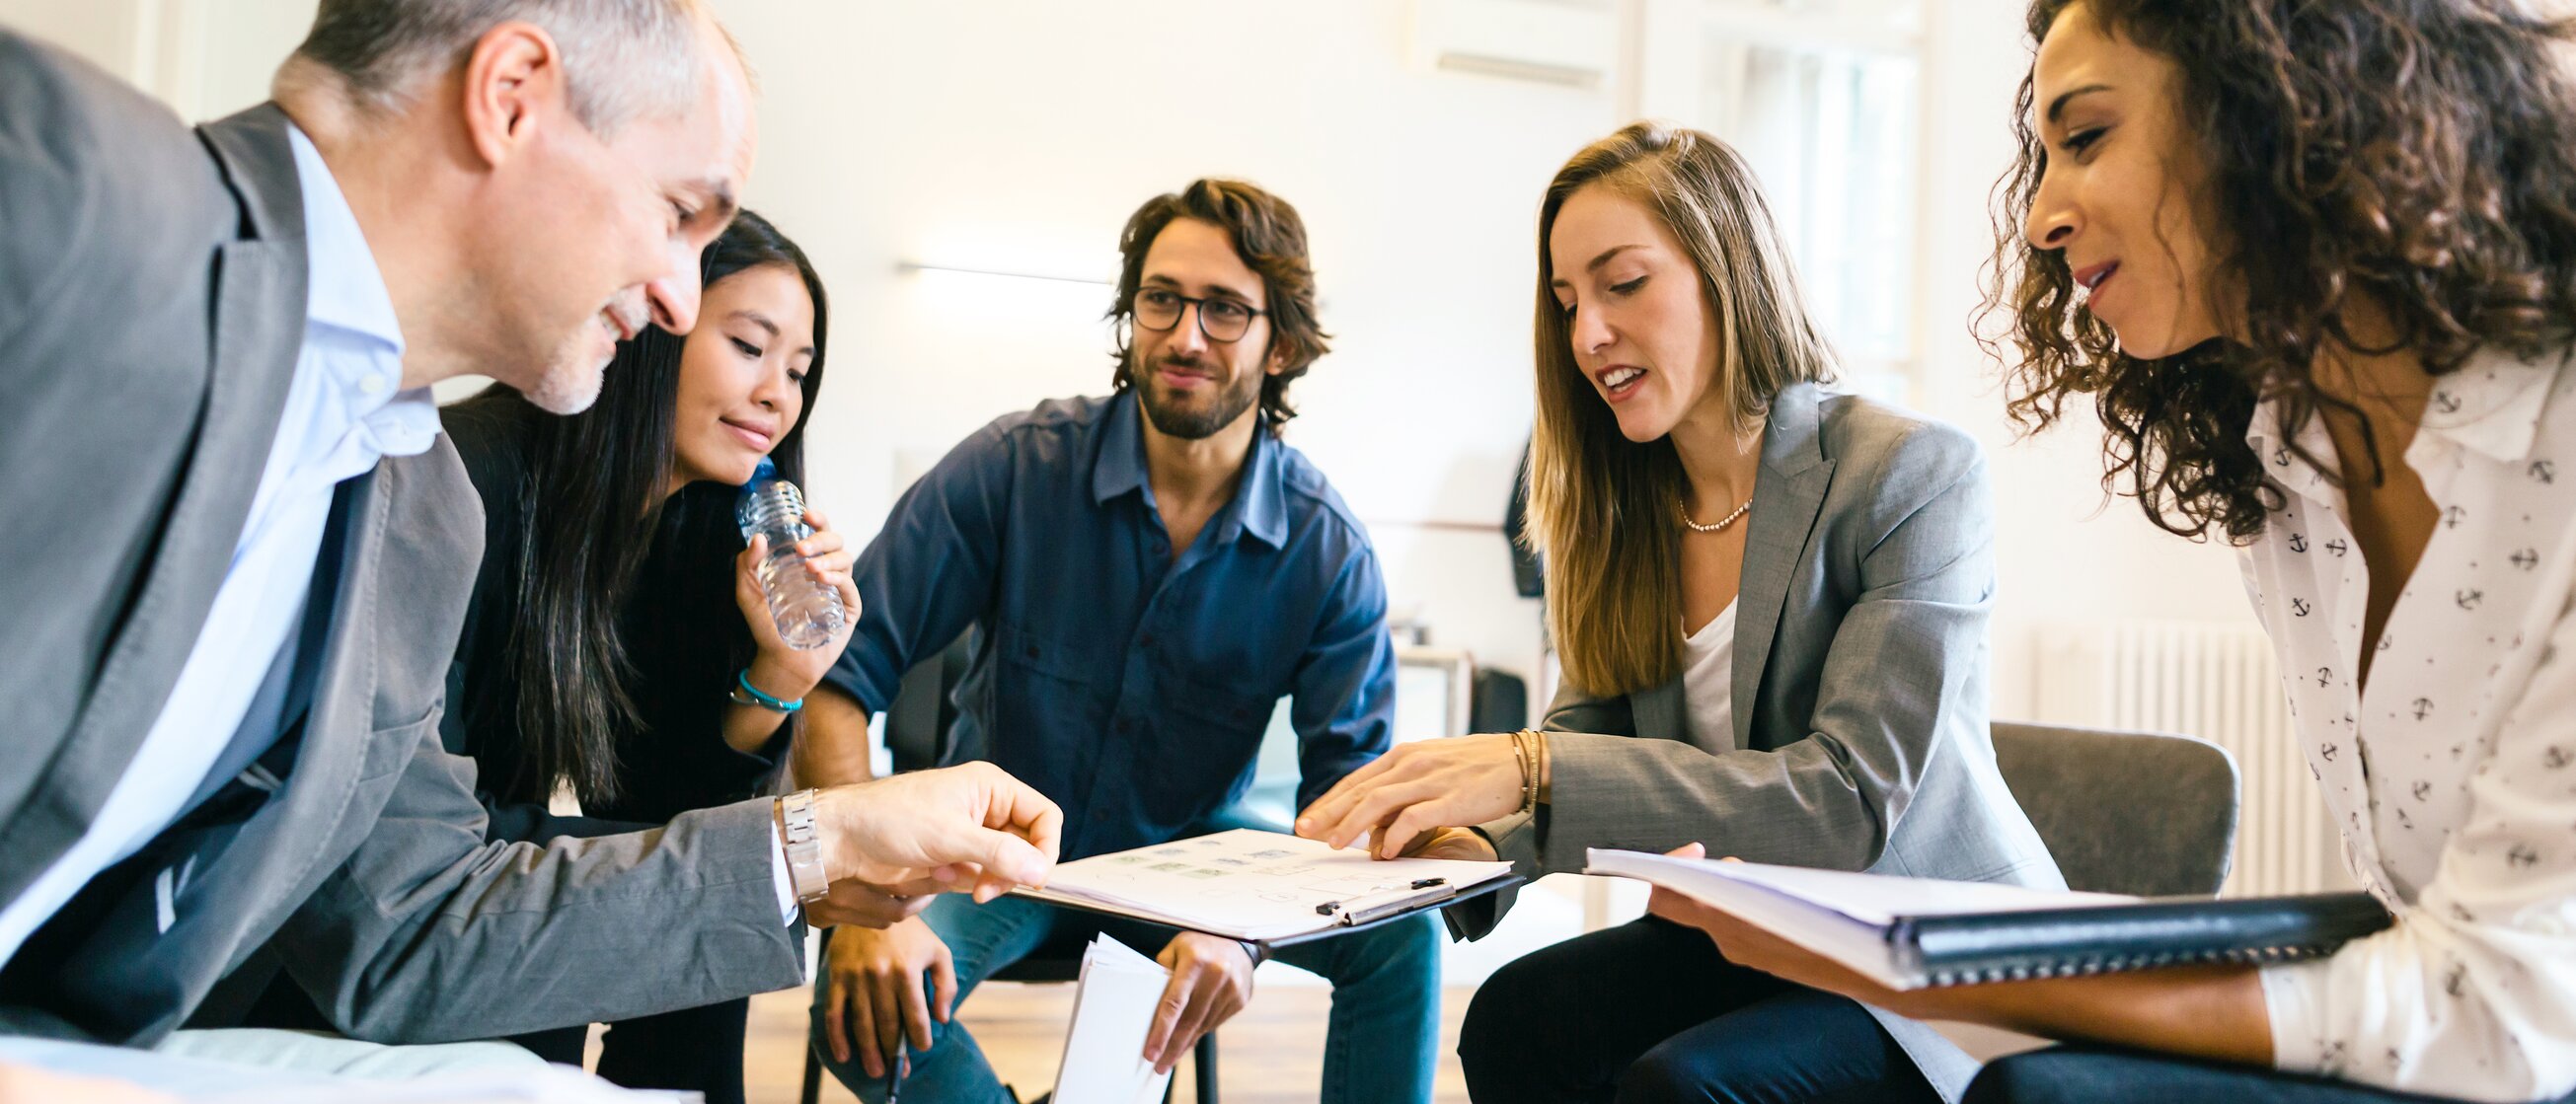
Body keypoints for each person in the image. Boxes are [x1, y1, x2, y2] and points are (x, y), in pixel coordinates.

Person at [0, 1, 1056, 1091]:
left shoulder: (419, 511)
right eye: (676, 213)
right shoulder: (62, 183)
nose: (675, 298)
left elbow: (409, 921)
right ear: (511, 97)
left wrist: (820, 841)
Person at [1634, 3, 2576, 1102]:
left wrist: (1909, 968)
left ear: (2284, 110)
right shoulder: (2282, 468)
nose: (2039, 217)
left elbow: (2505, 1015)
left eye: (2085, 137)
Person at [1294, 121, 2064, 1103]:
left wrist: (1526, 765)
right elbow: (1590, 736)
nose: (1587, 334)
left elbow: (1844, 802)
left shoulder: (1910, 473)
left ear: (1727, 270)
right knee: (1517, 1020)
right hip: (1754, 935)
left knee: (1683, 1085)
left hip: (1926, 957)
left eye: (1623, 284)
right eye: (1567, 303)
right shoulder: (1625, 511)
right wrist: (1464, 846)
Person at [806, 180, 1440, 1104]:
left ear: (1282, 345)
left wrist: (1244, 929)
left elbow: (1347, 807)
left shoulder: (1325, 550)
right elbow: (838, 674)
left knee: (1403, 937)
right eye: (1161, 299)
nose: (1186, 335)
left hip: (1193, 863)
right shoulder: (1015, 466)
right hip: (993, 856)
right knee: (866, 1005)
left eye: (1225, 310)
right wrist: (866, 903)